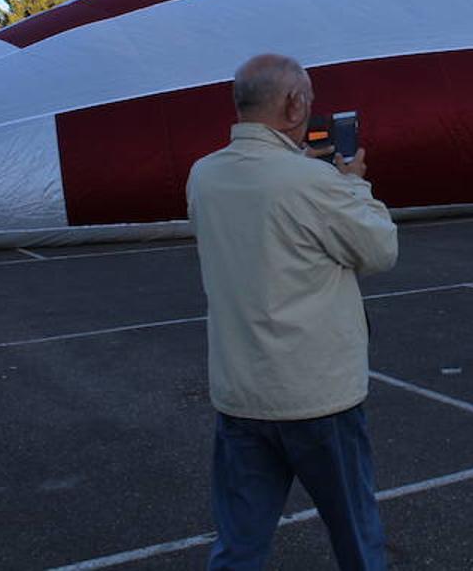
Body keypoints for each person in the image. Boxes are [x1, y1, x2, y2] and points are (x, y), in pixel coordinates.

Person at [187, 54, 398, 570]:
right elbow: (379, 250)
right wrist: (352, 182)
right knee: (357, 538)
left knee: (239, 544)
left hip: (241, 397)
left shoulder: (203, 176)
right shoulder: (313, 182)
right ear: (294, 104)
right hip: (318, 397)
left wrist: (303, 166)